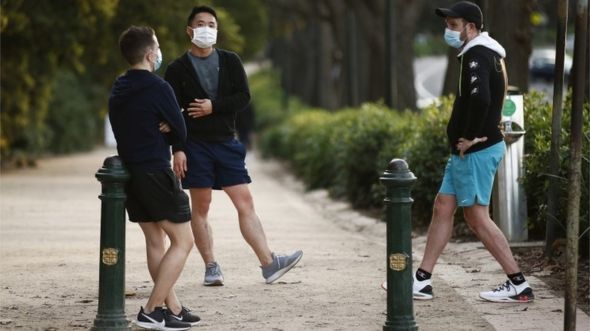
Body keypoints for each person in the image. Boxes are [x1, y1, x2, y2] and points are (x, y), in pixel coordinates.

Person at [384, 1, 534, 303]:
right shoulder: (482, 52)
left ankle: (518, 284)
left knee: (477, 218)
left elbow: (480, 101)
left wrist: (471, 139)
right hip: (467, 152)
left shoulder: (477, 54)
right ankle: (422, 281)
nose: (448, 31)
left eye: (453, 26)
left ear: (472, 27)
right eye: (447, 25)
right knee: (443, 206)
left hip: (474, 151)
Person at [164, 6, 302, 286]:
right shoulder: (177, 69)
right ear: (190, 30)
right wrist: (177, 149)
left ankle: (268, 263)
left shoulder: (230, 61)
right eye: (200, 24)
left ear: (216, 30)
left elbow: (243, 97)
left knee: (244, 202)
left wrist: (213, 106)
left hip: (227, 143)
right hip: (194, 146)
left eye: (211, 24)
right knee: (201, 207)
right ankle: (211, 266)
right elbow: (170, 113)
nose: (206, 28)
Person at [109, 26, 201, 330]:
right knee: (184, 240)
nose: (159, 52)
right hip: (154, 170)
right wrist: (167, 124)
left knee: (155, 240)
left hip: (130, 174)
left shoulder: (118, 87)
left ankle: (171, 307)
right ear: (150, 54)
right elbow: (182, 130)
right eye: (158, 47)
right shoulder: (159, 88)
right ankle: (151, 309)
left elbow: (129, 124)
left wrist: (160, 123)